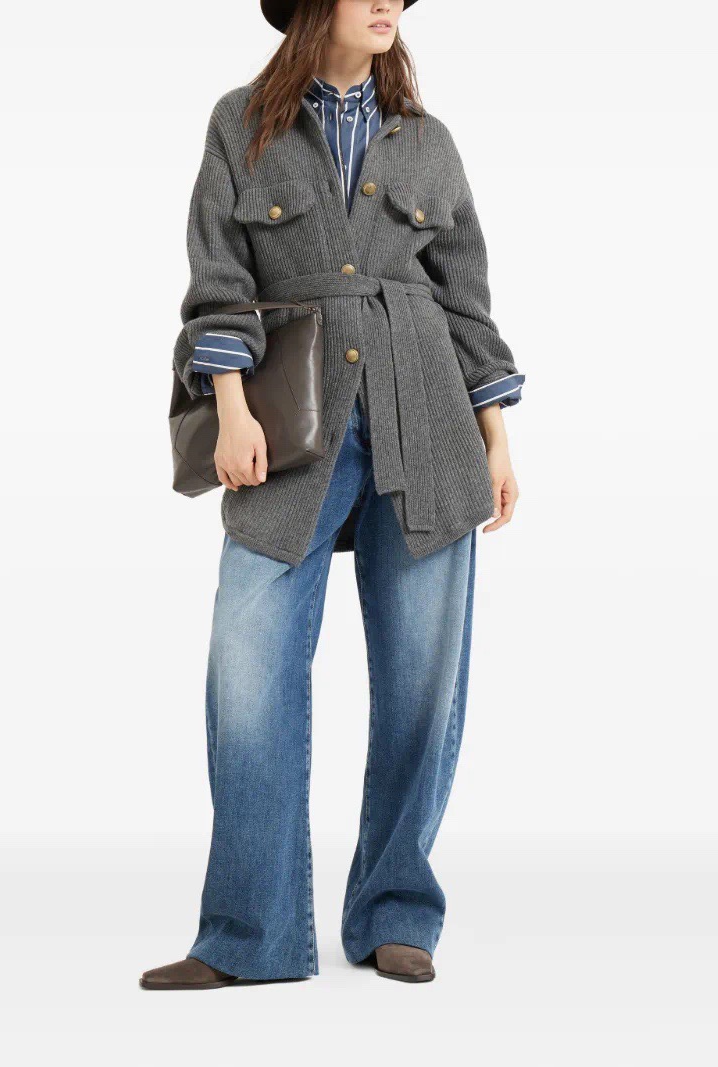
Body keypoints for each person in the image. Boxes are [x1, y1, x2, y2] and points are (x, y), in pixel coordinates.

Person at [141, 0, 525, 990]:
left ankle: (395, 912)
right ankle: (248, 933)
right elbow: (217, 279)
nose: (386, 2)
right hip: (286, 430)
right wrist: (231, 407)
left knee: (422, 686)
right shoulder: (241, 123)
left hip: (429, 425)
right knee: (247, 675)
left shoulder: (427, 142)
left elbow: (465, 302)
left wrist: (496, 439)